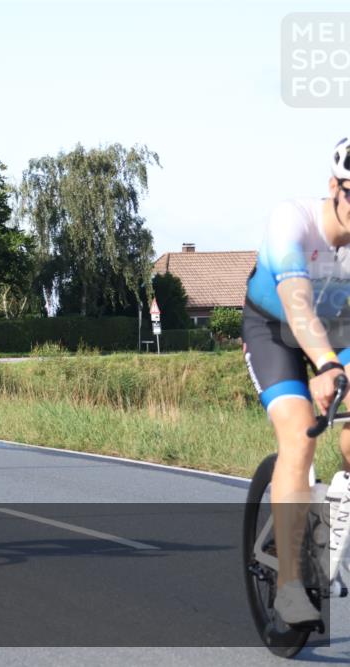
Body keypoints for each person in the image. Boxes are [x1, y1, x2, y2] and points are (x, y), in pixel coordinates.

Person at [242, 136, 350, 625]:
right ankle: (289, 583)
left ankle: (337, 525)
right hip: (274, 327)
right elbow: (297, 306)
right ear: (335, 187)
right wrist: (326, 365)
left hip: (341, 329)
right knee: (299, 434)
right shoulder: (293, 220)